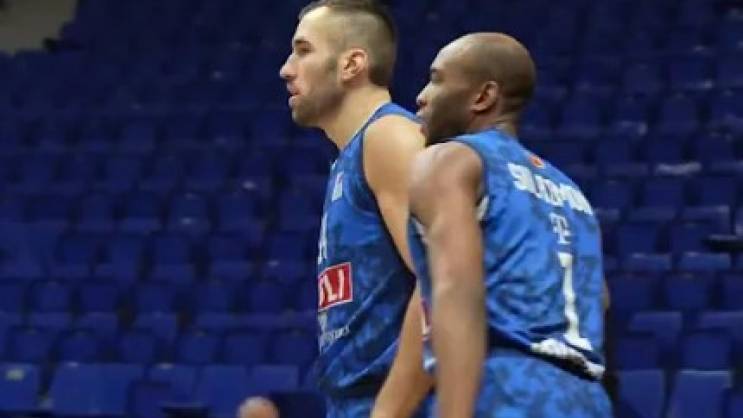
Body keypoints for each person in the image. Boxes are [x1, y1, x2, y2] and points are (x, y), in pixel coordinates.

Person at [402, 32, 613, 417]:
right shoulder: (571, 193)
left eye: (436, 79)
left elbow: (456, 291)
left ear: (483, 97)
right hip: (586, 398)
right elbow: (599, 300)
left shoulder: (451, 160)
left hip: (503, 389)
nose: (421, 96)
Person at [278, 1, 431, 417]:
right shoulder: (351, 157)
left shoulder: (390, 137)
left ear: (352, 64)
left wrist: (389, 410)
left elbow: (446, 285)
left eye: (303, 50)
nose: (286, 69)